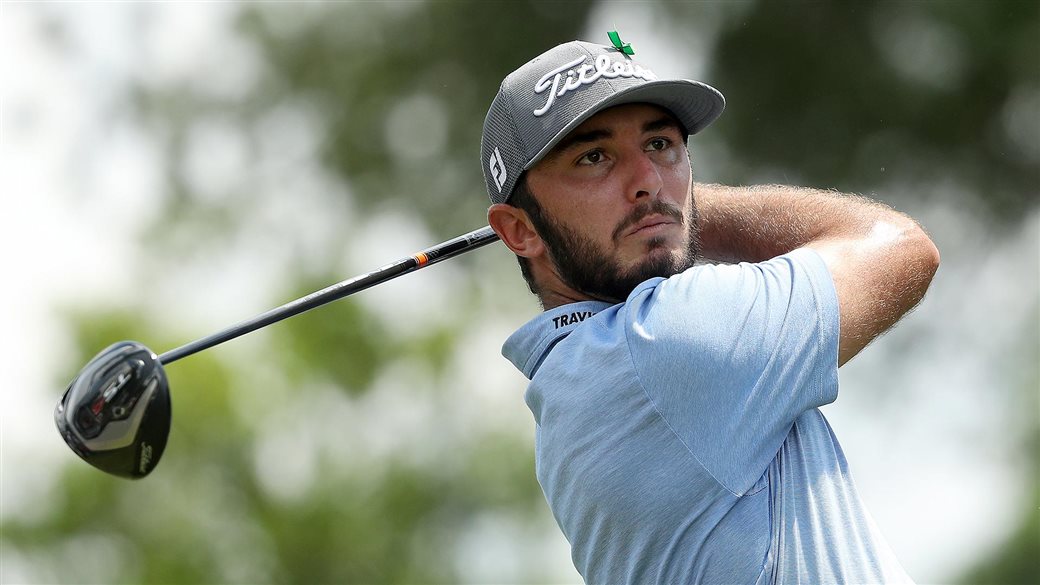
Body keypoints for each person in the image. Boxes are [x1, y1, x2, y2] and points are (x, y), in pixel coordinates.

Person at [480, 36, 940, 584]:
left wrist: (660, 209)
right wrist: (687, 206)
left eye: (660, 145)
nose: (647, 182)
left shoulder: (572, 380)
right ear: (519, 230)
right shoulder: (662, 341)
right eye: (595, 157)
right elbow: (900, 247)